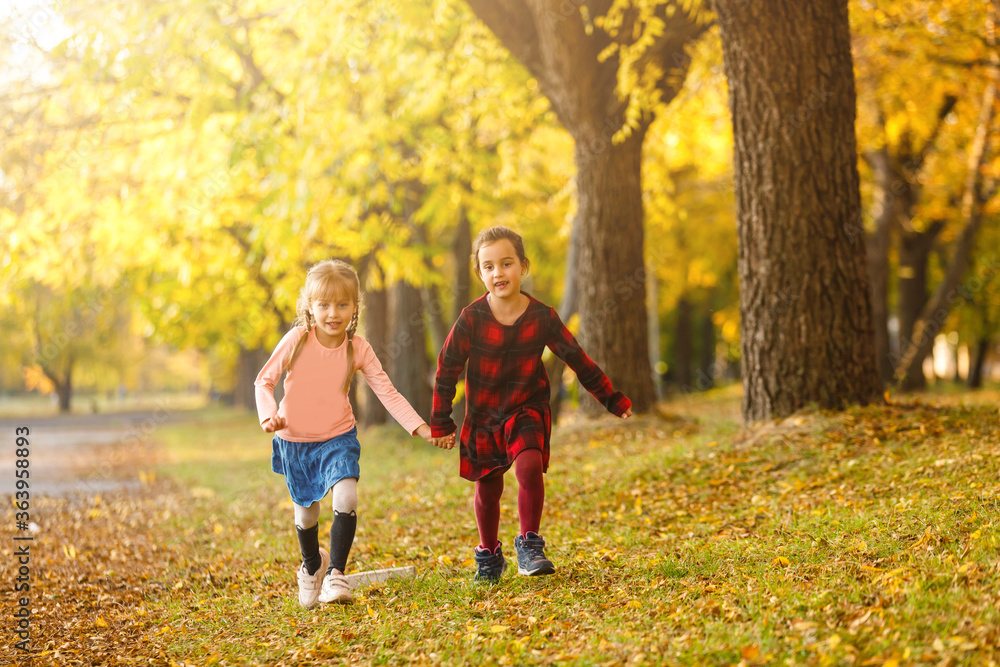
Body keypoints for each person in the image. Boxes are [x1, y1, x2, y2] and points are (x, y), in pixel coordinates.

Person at [430, 226, 632, 583]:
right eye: (489, 267)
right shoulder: (472, 318)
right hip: (484, 414)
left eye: (506, 263)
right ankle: (489, 554)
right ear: (480, 274)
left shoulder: (542, 316)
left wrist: (611, 399)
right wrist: (441, 421)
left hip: (527, 407)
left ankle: (530, 544)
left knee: (530, 464)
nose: (498, 273)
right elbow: (447, 368)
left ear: (523, 266)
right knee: (488, 490)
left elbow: (576, 358)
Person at [255, 259, 433, 608]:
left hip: (338, 437)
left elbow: (387, 392)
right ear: (310, 306)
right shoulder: (297, 340)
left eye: (342, 304)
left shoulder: (357, 347)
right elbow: (264, 381)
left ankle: (336, 573)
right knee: (306, 515)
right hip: (295, 443)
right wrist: (268, 415)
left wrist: (419, 426)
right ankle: (312, 565)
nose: (333, 313)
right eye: (323, 304)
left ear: (354, 307)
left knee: (347, 496)